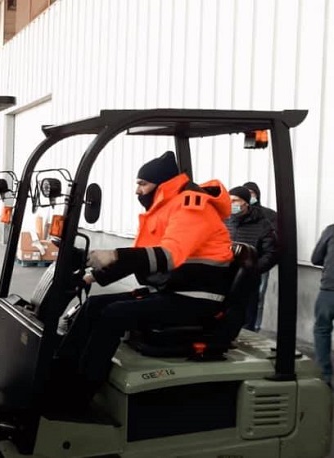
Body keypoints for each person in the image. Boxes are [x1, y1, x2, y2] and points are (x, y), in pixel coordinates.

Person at [53, 151, 234, 411]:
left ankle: (81, 393)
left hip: (197, 299)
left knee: (114, 314)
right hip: (174, 291)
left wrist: (114, 254)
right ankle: (61, 372)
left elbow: (169, 255)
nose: (137, 190)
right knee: (93, 306)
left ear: (162, 184)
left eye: (142, 184)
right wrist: (91, 277)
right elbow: (140, 257)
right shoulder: (164, 209)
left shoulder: (192, 207)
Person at [224, 186, 278, 331]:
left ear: (246, 203)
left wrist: (254, 269)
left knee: (247, 318)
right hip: (225, 278)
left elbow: (271, 253)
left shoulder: (262, 224)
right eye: (229, 201)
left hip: (248, 280)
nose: (232, 204)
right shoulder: (225, 221)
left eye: (235, 200)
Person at [243, 181, 278, 326]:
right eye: (247, 193)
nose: (250, 196)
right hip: (241, 263)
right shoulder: (237, 215)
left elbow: (274, 242)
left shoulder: (269, 215)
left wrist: (261, 264)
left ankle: (255, 326)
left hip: (260, 261)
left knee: (258, 295)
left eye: (252, 193)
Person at [312, 224, 334, 386]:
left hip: (329, 289)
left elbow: (316, 258)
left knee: (322, 330)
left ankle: (324, 374)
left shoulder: (331, 230)